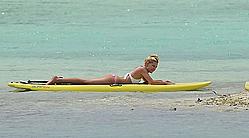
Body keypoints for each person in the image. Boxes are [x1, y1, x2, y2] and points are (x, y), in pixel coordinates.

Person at [46, 54, 174, 85]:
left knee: (87, 81)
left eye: (156, 67)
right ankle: (57, 79)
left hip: (115, 78)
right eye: (153, 66)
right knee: (86, 82)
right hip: (113, 80)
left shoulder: (142, 70)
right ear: (147, 64)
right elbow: (151, 83)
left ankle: (61, 79)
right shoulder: (143, 70)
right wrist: (165, 83)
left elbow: (148, 83)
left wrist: (162, 81)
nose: (155, 68)